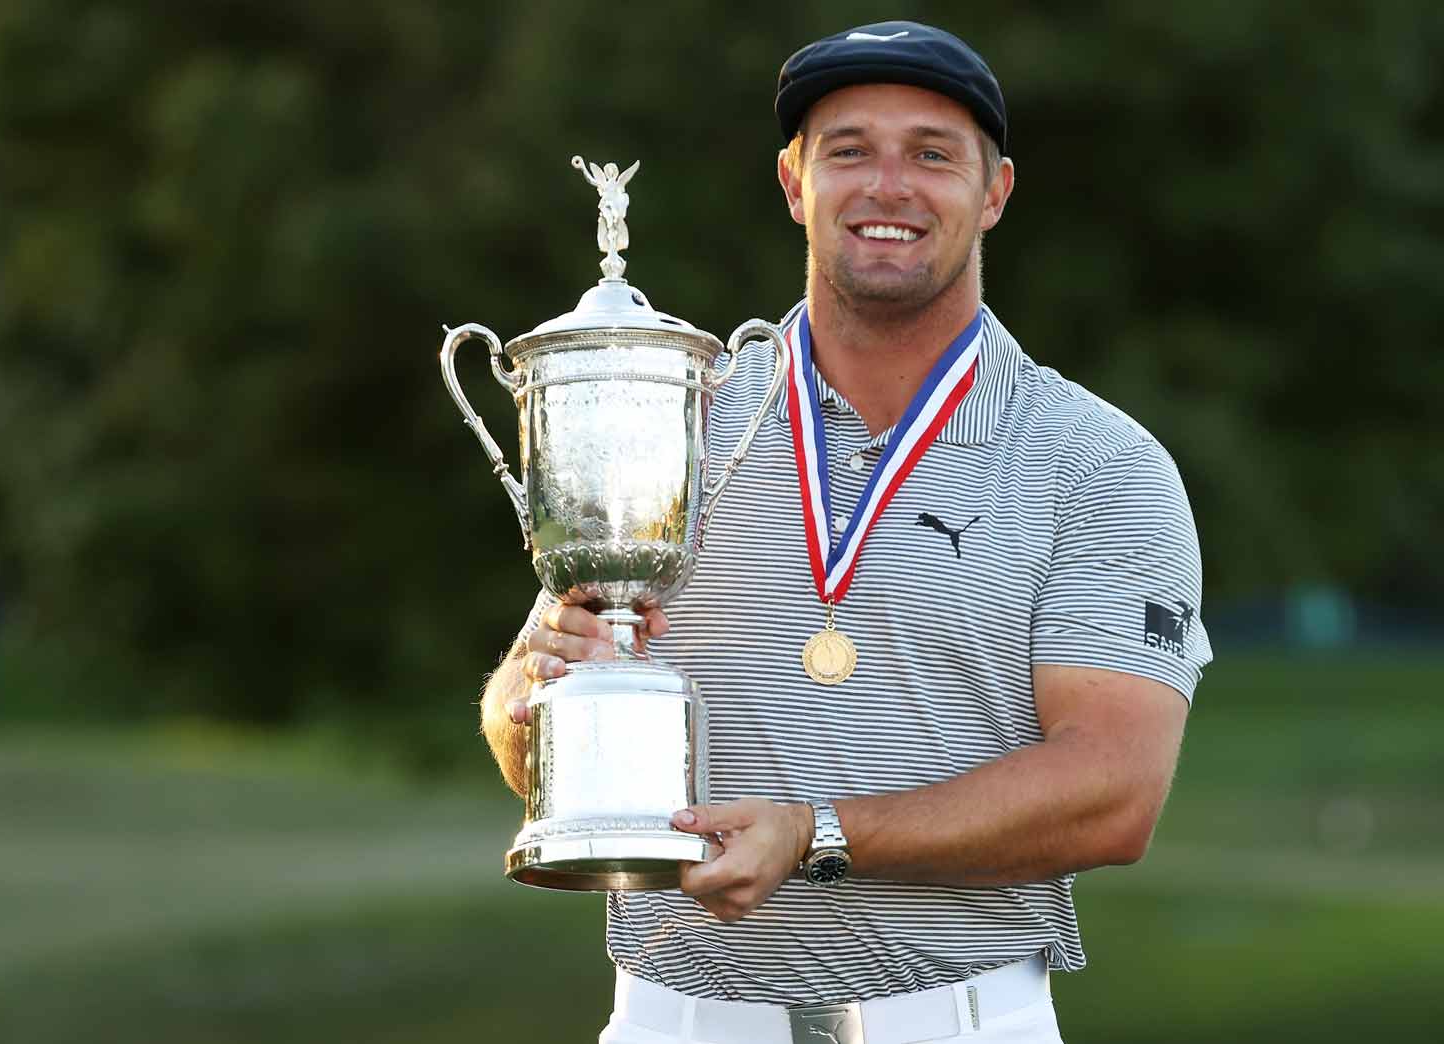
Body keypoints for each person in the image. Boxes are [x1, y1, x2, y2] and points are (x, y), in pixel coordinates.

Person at [481, 20, 1213, 1044]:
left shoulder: (1094, 461)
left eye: (930, 153)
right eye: (848, 150)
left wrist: (817, 833)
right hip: (674, 1023)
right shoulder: (676, 419)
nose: (887, 188)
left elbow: (1111, 793)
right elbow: (524, 707)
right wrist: (538, 705)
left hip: (958, 1024)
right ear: (792, 183)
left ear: (993, 190)